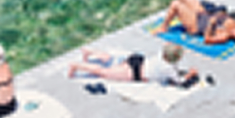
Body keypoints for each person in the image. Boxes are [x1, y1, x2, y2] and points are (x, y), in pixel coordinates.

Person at [67, 43, 199, 87]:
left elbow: (166, 46)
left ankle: (89, 52)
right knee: (103, 72)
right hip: (135, 72)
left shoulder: (161, 54)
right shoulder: (168, 68)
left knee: (112, 61)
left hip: (137, 60)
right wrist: (191, 73)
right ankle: (76, 66)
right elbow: (180, 82)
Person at [161, 0, 235, 46]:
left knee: (176, 4)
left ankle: (164, 27)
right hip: (204, 14)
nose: (232, 31)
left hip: (196, 25)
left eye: (233, 34)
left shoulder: (224, 36)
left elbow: (207, 40)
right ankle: (184, 13)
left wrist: (211, 25)